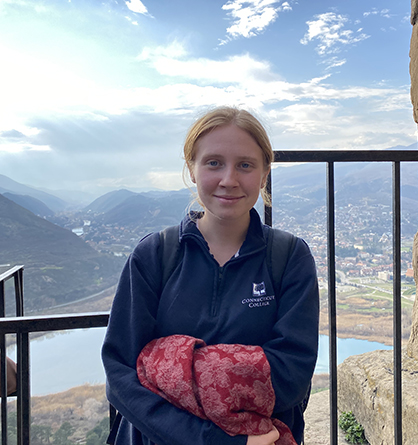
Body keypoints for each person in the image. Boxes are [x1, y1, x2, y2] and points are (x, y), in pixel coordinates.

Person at [102, 106, 319, 445]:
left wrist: (165, 363)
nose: (229, 179)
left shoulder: (289, 257)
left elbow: (291, 373)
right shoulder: (155, 255)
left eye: (245, 165)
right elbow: (120, 375)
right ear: (192, 168)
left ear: (264, 173)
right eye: (214, 162)